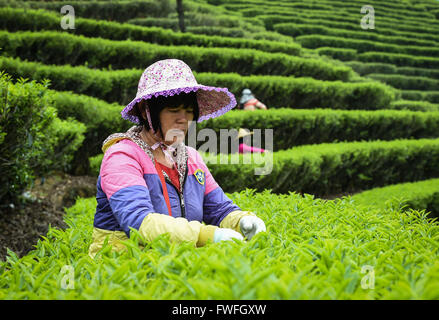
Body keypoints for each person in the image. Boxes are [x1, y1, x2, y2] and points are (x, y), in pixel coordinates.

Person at [88, 59, 266, 258]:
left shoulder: (191, 158)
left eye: (189, 111)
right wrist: (204, 234)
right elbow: (138, 221)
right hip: (122, 270)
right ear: (145, 110)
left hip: (173, 265)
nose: (183, 119)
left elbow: (219, 208)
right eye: (173, 110)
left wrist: (241, 221)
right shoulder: (122, 156)